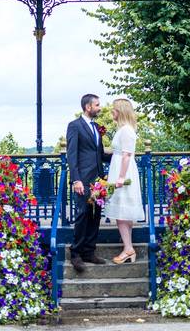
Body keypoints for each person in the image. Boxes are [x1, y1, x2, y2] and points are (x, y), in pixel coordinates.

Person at [65, 93, 112, 272]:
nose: (100, 108)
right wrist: (76, 179)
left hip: (99, 179)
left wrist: (121, 155)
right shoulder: (74, 126)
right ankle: (76, 253)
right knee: (83, 214)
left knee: (95, 215)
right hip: (82, 180)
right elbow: (72, 154)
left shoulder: (97, 127)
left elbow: (99, 154)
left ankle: (89, 252)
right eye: (97, 105)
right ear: (88, 107)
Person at [103, 98, 144, 264]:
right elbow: (117, 151)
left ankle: (128, 248)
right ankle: (128, 247)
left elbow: (127, 155)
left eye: (114, 109)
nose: (111, 112)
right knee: (123, 211)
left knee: (121, 212)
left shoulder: (126, 130)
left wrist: (120, 177)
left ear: (120, 111)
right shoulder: (123, 129)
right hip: (119, 168)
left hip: (123, 172)